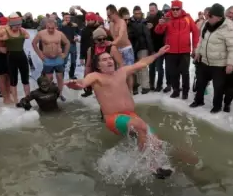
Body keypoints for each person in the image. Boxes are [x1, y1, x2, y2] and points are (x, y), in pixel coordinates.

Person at [65, 45, 173, 178]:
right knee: (140, 125)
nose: (109, 61)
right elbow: (83, 82)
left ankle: (155, 166)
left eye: (110, 58)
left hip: (130, 116)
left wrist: (158, 53)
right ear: (98, 66)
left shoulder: (122, 72)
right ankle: (150, 165)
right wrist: (76, 84)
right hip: (113, 118)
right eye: (104, 60)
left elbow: (142, 63)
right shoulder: (96, 76)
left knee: (156, 141)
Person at [191, 3, 233, 113]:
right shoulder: (206, 24)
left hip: (219, 63)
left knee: (218, 87)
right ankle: (198, 100)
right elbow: (201, 40)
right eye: (208, 16)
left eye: (210, 16)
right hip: (204, 61)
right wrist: (198, 52)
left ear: (218, 17)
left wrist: (230, 64)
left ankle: (216, 106)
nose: (208, 18)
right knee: (200, 83)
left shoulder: (228, 27)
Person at [0, 13, 31, 102]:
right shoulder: (3, 30)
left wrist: (24, 35)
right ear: (11, 24)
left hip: (21, 55)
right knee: (12, 79)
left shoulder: (21, 30)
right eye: (16, 25)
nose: (18, 27)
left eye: (19, 25)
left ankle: (27, 98)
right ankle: (13, 100)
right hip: (9, 56)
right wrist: (2, 39)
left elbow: (28, 35)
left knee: (25, 79)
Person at [32, 17, 71, 100]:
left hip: (58, 58)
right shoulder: (41, 33)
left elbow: (67, 43)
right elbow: (34, 43)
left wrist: (65, 54)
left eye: (52, 28)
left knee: (60, 77)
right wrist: (40, 55)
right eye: (48, 28)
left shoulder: (59, 34)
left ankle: (60, 94)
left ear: (55, 27)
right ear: (46, 26)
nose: (50, 30)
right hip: (47, 59)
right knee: (48, 78)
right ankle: (50, 93)